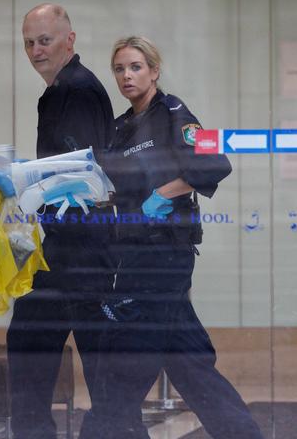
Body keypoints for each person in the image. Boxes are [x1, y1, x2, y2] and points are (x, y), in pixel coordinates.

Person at [79, 36, 264, 439]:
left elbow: (214, 163)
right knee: (190, 363)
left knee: (124, 365)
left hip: (163, 253)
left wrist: (163, 195)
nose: (126, 76)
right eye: (119, 69)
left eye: (135, 67)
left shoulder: (173, 114)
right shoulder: (121, 127)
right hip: (132, 251)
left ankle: (106, 430)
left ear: (154, 71)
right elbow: (110, 183)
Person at [5, 3, 115, 439]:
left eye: (44, 40)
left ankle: (109, 428)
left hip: (84, 247)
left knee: (86, 352)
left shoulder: (78, 90)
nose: (35, 50)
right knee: (32, 338)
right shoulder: (60, 91)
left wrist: (24, 183)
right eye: (28, 42)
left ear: (70, 40)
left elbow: (81, 175)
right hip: (67, 245)